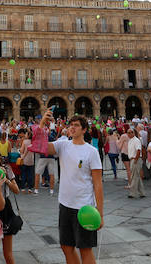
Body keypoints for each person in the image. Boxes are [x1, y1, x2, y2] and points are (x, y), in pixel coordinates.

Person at [39, 112, 103, 264]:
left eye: (76, 125)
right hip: (65, 205)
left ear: (84, 130)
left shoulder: (91, 152)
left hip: (84, 207)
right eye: (71, 125)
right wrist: (42, 124)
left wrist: (100, 212)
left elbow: (98, 184)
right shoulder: (62, 145)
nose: (72, 128)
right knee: (66, 246)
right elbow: (41, 147)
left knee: (85, 249)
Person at [126, 127, 145, 198]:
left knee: (134, 176)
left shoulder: (136, 140)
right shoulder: (131, 140)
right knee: (136, 176)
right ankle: (142, 192)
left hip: (135, 159)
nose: (128, 134)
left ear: (133, 133)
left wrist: (136, 159)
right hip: (132, 159)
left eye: (129, 133)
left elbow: (138, 150)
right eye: (127, 133)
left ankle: (132, 193)